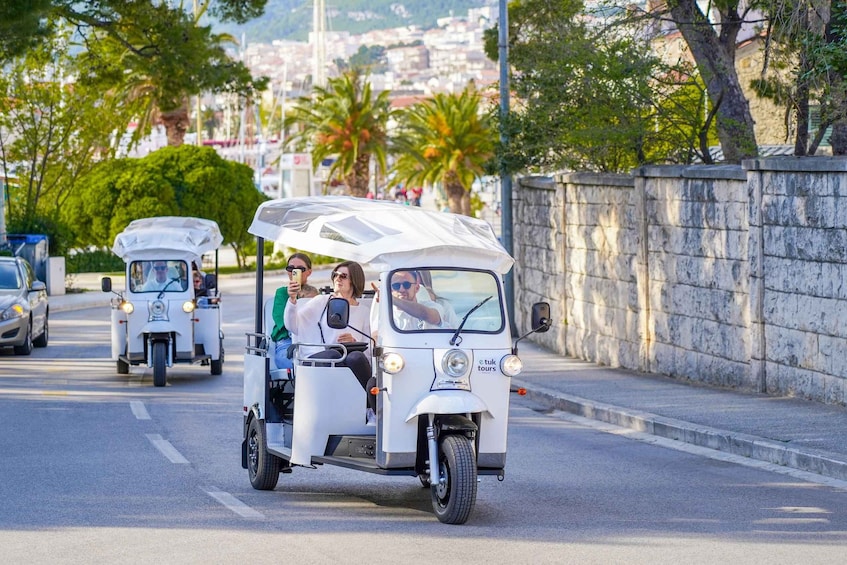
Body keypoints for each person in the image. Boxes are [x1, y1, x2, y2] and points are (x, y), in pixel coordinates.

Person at [284, 261, 374, 420]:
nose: (338, 279)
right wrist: (292, 300)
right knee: (333, 354)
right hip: (320, 355)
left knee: (356, 357)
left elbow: (370, 348)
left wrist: (354, 342)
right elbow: (293, 325)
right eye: (335, 275)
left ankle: (371, 408)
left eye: (343, 276)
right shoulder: (321, 301)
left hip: (349, 358)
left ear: (355, 280)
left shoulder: (364, 311)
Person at [270, 253, 319, 369]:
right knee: (294, 363)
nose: (294, 272)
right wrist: (292, 297)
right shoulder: (282, 293)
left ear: (309, 272)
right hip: (287, 341)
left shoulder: (314, 294)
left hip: (311, 341)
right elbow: (284, 321)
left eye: (300, 269)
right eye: (290, 268)